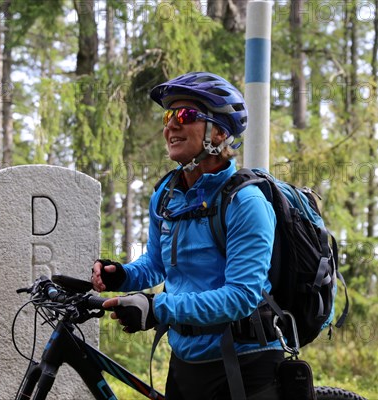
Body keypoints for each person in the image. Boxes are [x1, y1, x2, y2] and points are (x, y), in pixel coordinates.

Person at [92, 72, 283, 400]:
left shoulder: (245, 202)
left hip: (246, 364)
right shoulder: (166, 196)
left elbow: (241, 296)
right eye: (168, 117)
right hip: (185, 361)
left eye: (185, 115)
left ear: (219, 132)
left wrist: (157, 308)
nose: (170, 126)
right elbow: (156, 263)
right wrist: (122, 275)